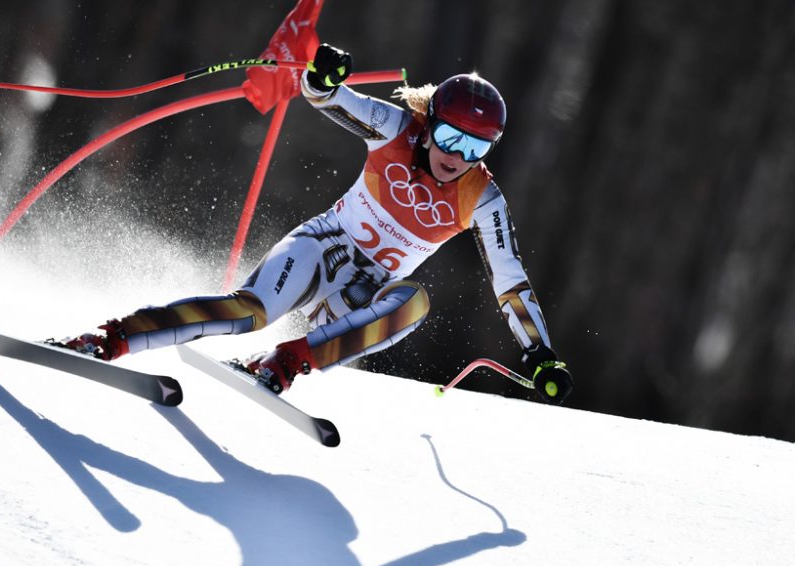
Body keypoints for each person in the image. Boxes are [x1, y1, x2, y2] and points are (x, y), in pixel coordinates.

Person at [58, 44, 573, 404]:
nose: (456, 156)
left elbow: (510, 281)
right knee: (248, 313)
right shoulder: (395, 127)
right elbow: (327, 97)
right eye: (449, 136)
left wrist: (540, 353)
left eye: (475, 147)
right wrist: (322, 77)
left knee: (414, 302)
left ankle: (284, 362)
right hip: (321, 250)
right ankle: (111, 338)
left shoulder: (481, 198)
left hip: (357, 301)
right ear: (429, 120)